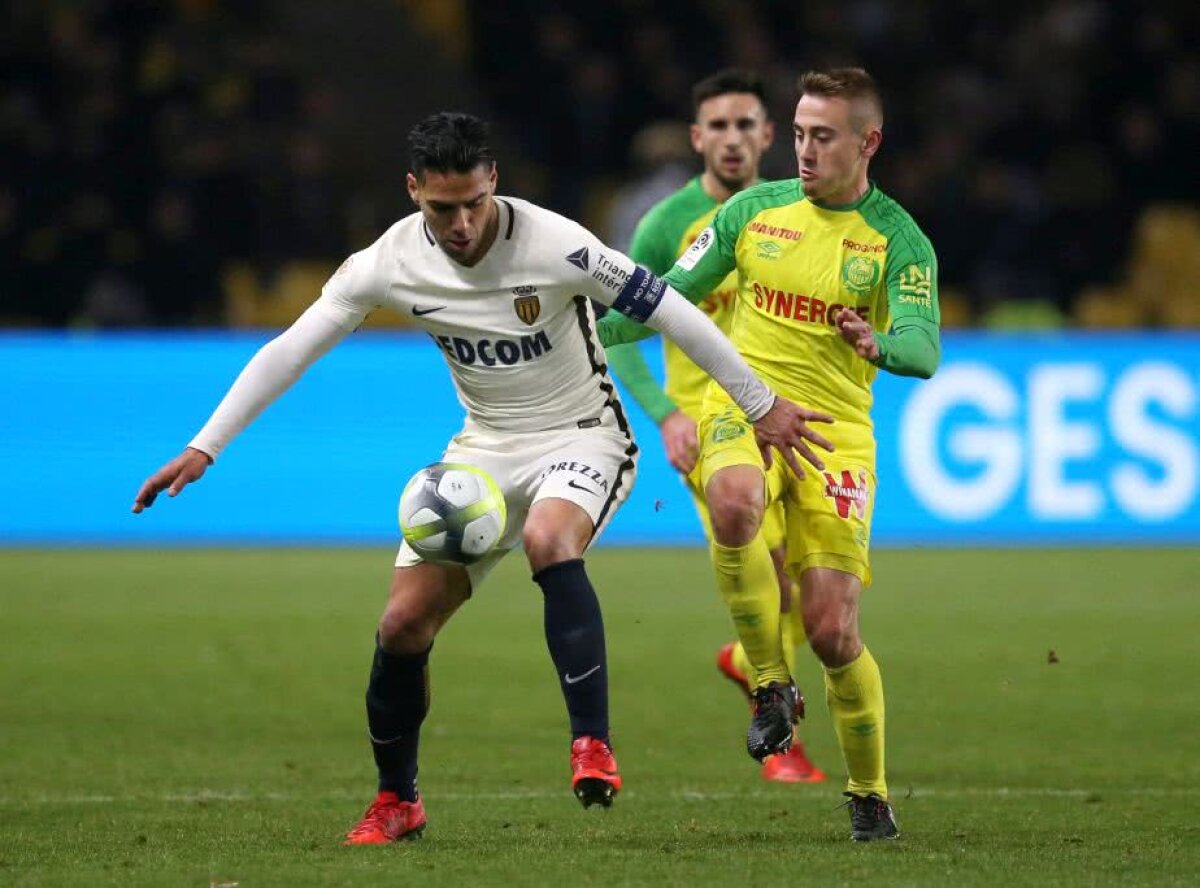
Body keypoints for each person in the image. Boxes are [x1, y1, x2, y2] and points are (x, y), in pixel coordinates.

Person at [131, 112, 835, 845]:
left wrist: (761, 405)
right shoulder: (387, 263)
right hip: (482, 454)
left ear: (493, 179)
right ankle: (397, 799)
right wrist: (205, 446)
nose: (463, 222)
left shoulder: (558, 244)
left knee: (548, 536)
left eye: (474, 202)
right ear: (413, 192)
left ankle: (590, 743)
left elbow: (671, 311)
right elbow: (290, 350)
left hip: (585, 437)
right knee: (402, 626)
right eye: (443, 208)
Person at [597, 68, 942, 841]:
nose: (804, 150)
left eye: (822, 136)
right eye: (797, 134)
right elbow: (670, 297)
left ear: (868, 142)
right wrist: (606, 325)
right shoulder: (753, 213)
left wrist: (877, 342)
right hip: (742, 406)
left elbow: (924, 347)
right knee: (733, 503)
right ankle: (770, 686)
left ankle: (869, 794)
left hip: (835, 435)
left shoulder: (898, 240)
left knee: (832, 631)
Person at [604, 69, 825, 784]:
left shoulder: (802, 212)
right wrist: (666, 415)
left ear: (769, 136)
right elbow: (622, 334)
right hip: (711, 424)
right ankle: (778, 731)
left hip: (785, 414)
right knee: (762, 558)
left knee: (810, 582)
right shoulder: (666, 225)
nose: (732, 139)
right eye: (718, 127)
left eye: (746, 125)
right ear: (698, 138)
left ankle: (748, 658)